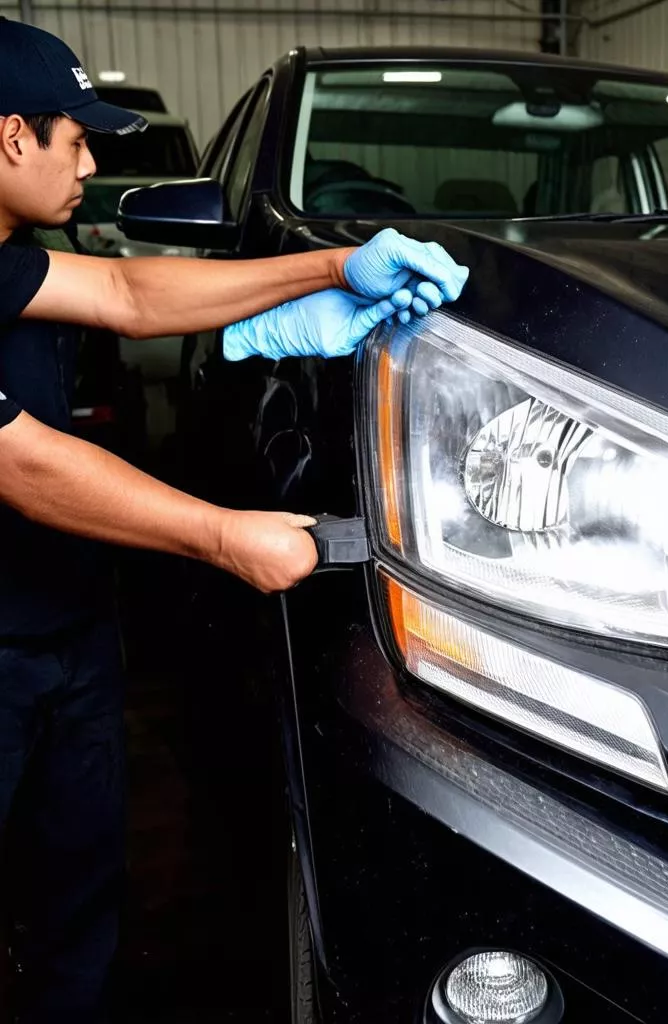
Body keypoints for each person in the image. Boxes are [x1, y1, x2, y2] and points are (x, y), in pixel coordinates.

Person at [0, 17, 469, 1022]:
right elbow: (27, 465)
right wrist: (226, 532)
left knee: (78, 897)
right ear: (10, 138)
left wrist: (332, 267)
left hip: (68, 628)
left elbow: (128, 291)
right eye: (74, 138)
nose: (92, 160)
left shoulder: (13, 254)